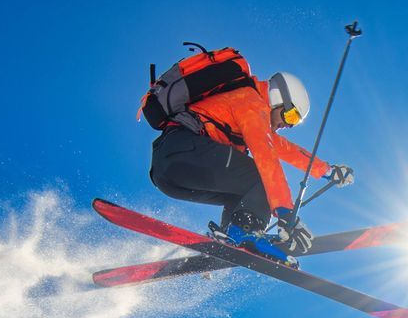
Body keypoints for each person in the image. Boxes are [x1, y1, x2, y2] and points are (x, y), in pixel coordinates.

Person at [148, 71, 354, 264]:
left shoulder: (256, 116)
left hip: (170, 175)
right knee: (261, 177)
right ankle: (246, 232)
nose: (287, 125)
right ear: (277, 98)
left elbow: (287, 149)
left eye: (294, 123)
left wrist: (326, 170)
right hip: (182, 149)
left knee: (242, 196)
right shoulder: (250, 102)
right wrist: (285, 214)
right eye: (290, 116)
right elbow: (267, 159)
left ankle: (230, 238)